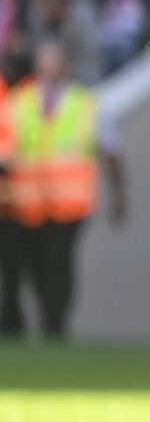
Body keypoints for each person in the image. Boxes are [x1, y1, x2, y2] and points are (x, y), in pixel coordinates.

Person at [6, 37, 126, 339]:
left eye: (56, 61)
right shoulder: (20, 102)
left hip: (69, 202)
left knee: (59, 261)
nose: (50, 68)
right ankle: (45, 319)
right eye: (45, 61)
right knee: (34, 265)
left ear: (66, 66)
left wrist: (118, 196)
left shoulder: (84, 104)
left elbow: (111, 152)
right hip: (27, 203)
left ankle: (55, 322)